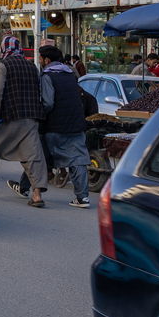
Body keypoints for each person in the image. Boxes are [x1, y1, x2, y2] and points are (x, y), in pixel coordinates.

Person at [0, 36, 49, 207]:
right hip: (30, 117)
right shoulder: (32, 66)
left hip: (9, 116)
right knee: (33, 155)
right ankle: (37, 194)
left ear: (3, 48)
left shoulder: (2, 65)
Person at [38, 46, 94, 208]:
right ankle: (82, 198)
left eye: (41, 58)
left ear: (47, 60)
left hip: (55, 125)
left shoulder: (47, 76)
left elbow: (48, 103)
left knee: (39, 157)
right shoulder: (71, 74)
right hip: (76, 123)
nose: (40, 61)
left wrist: (40, 115)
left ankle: (27, 188)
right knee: (78, 160)